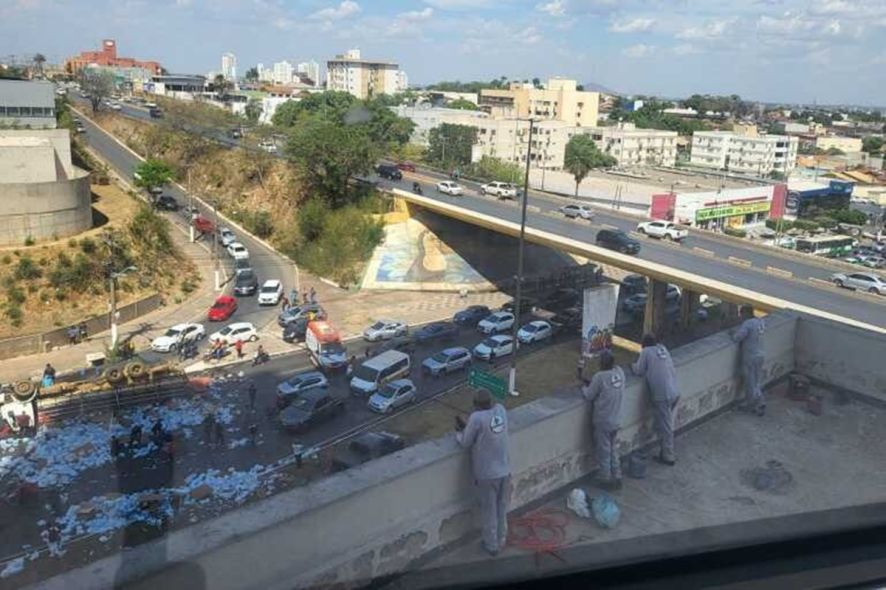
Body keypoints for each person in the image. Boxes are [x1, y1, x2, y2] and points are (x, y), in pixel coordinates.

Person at [455, 389, 510, 557]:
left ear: (476, 404)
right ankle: (502, 538)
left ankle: (492, 546)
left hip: (487, 473)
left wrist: (460, 432)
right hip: (505, 470)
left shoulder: (476, 418)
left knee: (489, 510)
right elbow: (490, 429)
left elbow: (466, 442)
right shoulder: (501, 410)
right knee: (502, 508)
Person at [631, 334, 679, 466]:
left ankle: (668, 456)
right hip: (674, 391)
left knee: (666, 427)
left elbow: (639, 370)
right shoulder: (663, 349)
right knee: (660, 423)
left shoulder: (646, 352)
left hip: (662, 395)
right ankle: (653, 448)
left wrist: (632, 365)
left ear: (644, 345)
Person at [582, 351, 625, 491]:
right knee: (613, 449)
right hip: (616, 419)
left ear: (602, 363)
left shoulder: (599, 377)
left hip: (604, 421)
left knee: (604, 451)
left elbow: (589, 395)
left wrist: (585, 387)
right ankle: (617, 476)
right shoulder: (620, 373)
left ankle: (605, 478)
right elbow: (608, 386)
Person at [731, 306, 766, 416]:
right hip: (760, 354)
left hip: (750, 356)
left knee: (750, 382)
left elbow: (737, 337)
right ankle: (760, 401)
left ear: (745, 313)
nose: (740, 316)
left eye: (741, 314)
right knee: (756, 381)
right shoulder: (760, 322)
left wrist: (732, 334)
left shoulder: (748, 323)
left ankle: (754, 405)